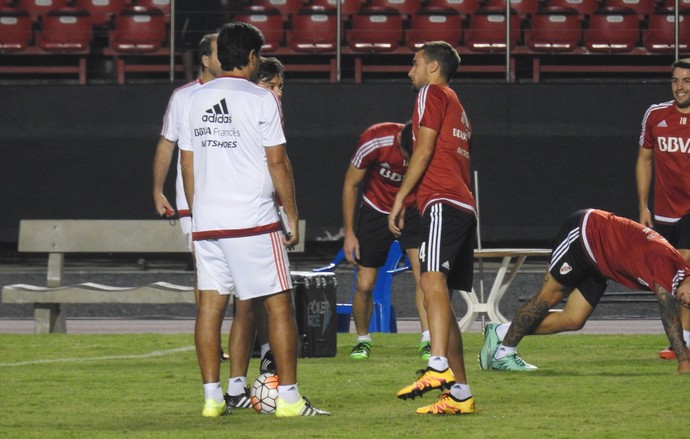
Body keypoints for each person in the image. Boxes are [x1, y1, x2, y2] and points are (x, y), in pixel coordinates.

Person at [178, 22, 329, 418]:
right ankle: (290, 399)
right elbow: (278, 162)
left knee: (210, 308)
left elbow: (187, 163)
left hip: (207, 221)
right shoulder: (262, 100)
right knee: (279, 305)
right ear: (250, 57)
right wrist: (291, 214)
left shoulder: (193, 99)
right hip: (252, 221)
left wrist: (200, 213)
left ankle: (213, 398)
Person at [479, 208, 690, 374]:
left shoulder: (680, 275)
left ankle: (500, 332)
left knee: (574, 319)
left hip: (602, 261)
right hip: (585, 233)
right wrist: (684, 361)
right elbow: (669, 316)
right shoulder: (669, 266)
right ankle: (503, 353)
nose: (687, 302)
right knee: (551, 294)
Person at [388, 41, 476, 415]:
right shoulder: (456, 103)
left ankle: (437, 366)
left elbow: (422, 150)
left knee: (429, 282)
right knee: (441, 300)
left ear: (433, 67)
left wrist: (399, 199)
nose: (411, 71)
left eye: (415, 64)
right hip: (462, 205)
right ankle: (461, 393)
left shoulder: (430, 93)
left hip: (442, 201)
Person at [151, 33, 229, 364]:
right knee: (206, 270)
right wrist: (157, 189)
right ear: (205, 60)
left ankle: (246, 338)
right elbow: (168, 143)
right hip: (195, 202)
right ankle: (213, 340)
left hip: (235, 197)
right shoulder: (184, 97)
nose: (226, 57)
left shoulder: (243, 92)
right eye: (219, 52)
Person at [342, 121, 431, 360]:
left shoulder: (425, 145)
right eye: (405, 156)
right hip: (375, 210)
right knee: (365, 284)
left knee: (424, 276)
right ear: (398, 143)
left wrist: (406, 204)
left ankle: (428, 339)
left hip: (412, 210)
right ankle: (362, 340)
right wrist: (349, 233)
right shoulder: (374, 139)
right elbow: (351, 184)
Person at [636, 58, 690, 361]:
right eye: (675, 80)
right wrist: (643, 206)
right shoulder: (656, 114)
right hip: (664, 211)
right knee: (667, 279)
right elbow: (644, 159)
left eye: (686, 81)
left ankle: (681, 342)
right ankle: (680, 339)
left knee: (684, 270)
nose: (680, 87)